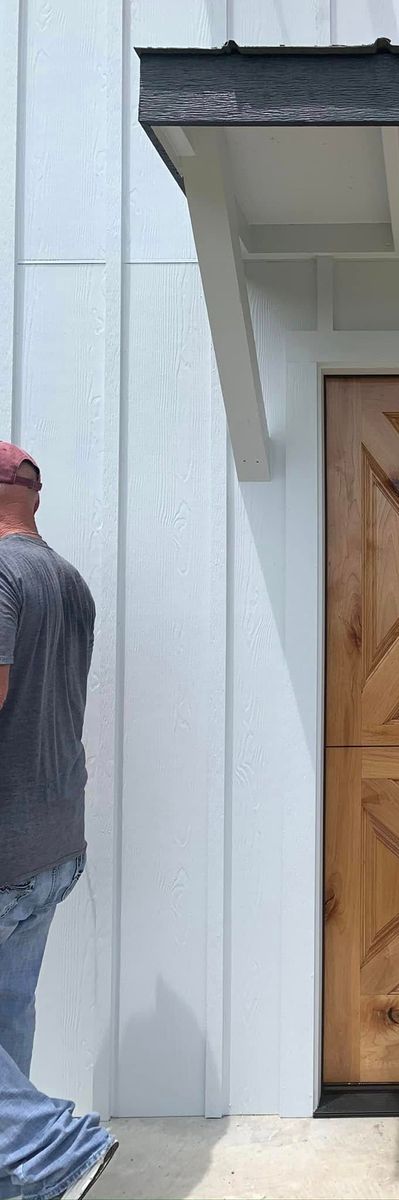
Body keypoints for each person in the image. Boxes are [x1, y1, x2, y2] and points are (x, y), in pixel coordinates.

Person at [0, 443, 117, 1200]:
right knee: (8, 1020)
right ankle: (20, 1180)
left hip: (4, 841)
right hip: (51, 838)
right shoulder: (67, 580)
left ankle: (51, 1147)